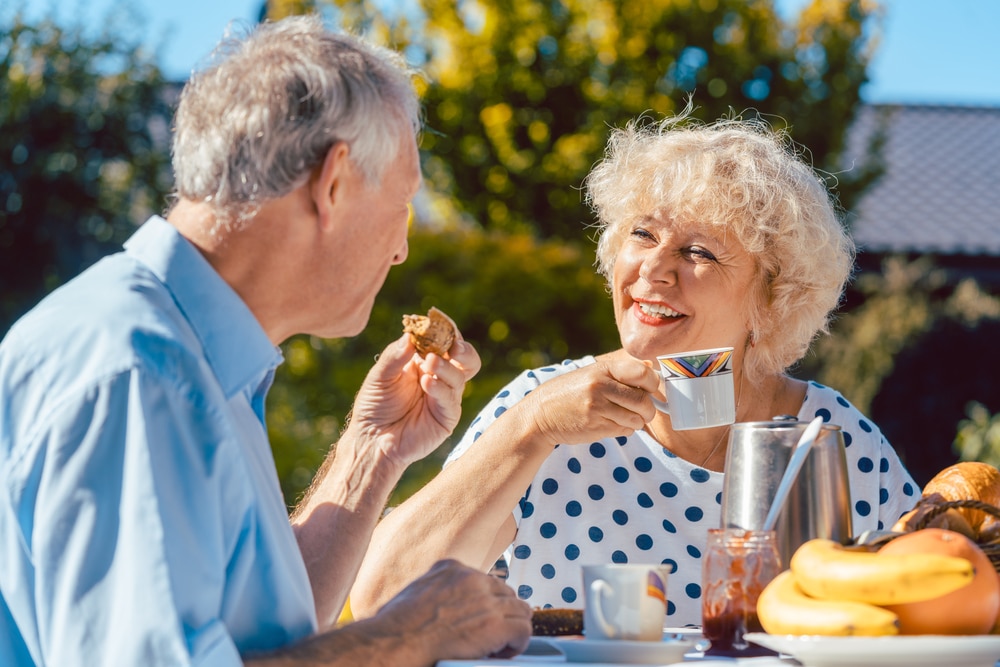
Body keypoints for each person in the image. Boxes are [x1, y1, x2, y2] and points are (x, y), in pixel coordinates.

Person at [0, 15, 531, 667]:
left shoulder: (192, 357)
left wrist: (373, 451)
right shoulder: (138, 373)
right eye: (404, 201)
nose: (401, 248)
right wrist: (409, 634)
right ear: (333, 183)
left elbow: (266, 638)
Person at [349, 110, 920, 626]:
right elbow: (385, 598)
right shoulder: (540, 408)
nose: (653, 268)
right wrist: (531, 428)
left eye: (699, 252)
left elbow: (937, 606)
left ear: (772, 299)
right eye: (642, 233)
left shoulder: (830, 442)